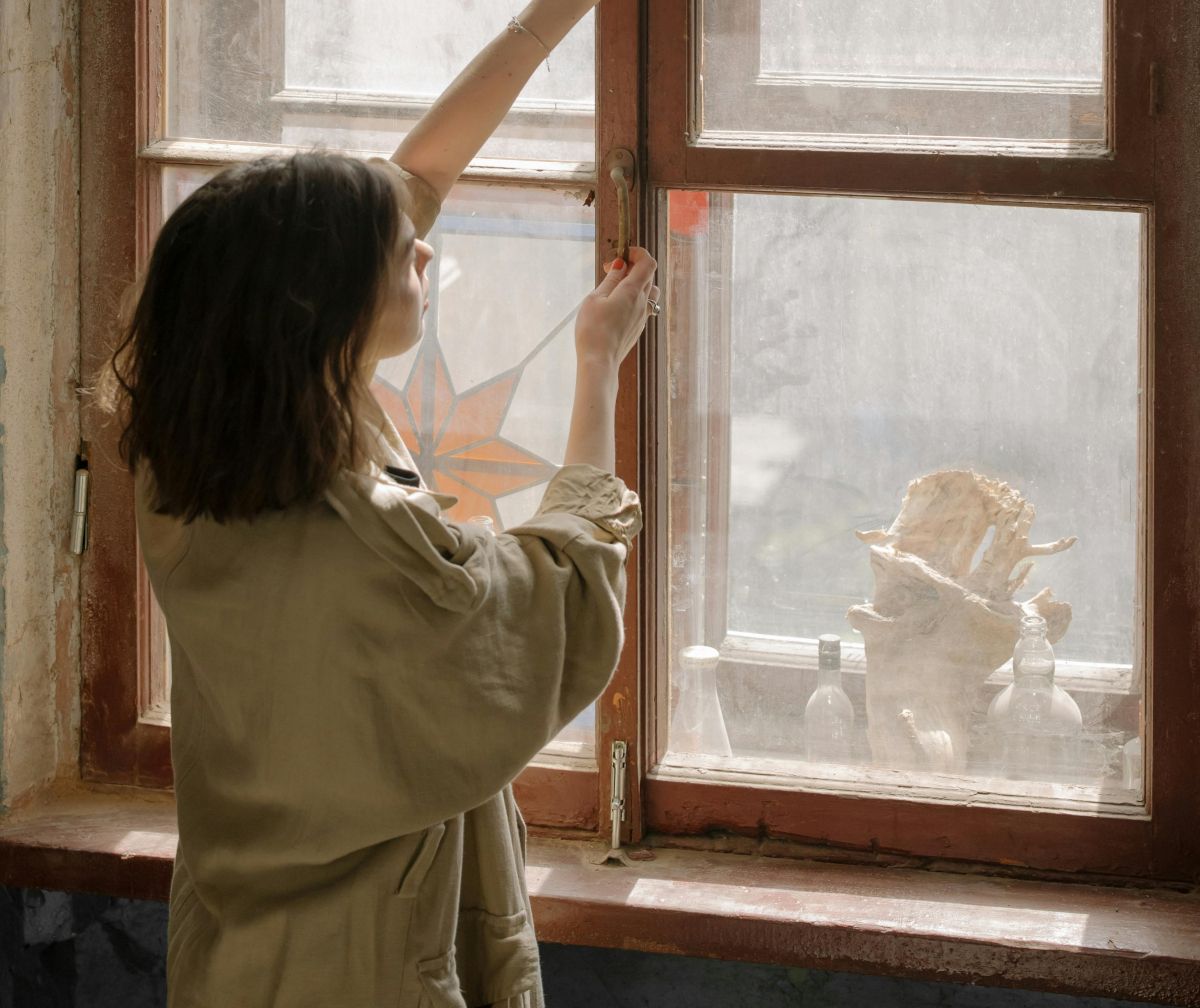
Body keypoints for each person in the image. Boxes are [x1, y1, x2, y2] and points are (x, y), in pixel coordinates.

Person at [101, 3, 658, 1005]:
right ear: (321, 309)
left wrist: (550, 20)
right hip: (365, 966)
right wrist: (598, 364)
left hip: (236, 952)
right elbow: (568, 597)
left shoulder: (195, 460)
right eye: (404, 254)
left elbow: (415, 181)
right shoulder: (372, 551)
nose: (427, 252)